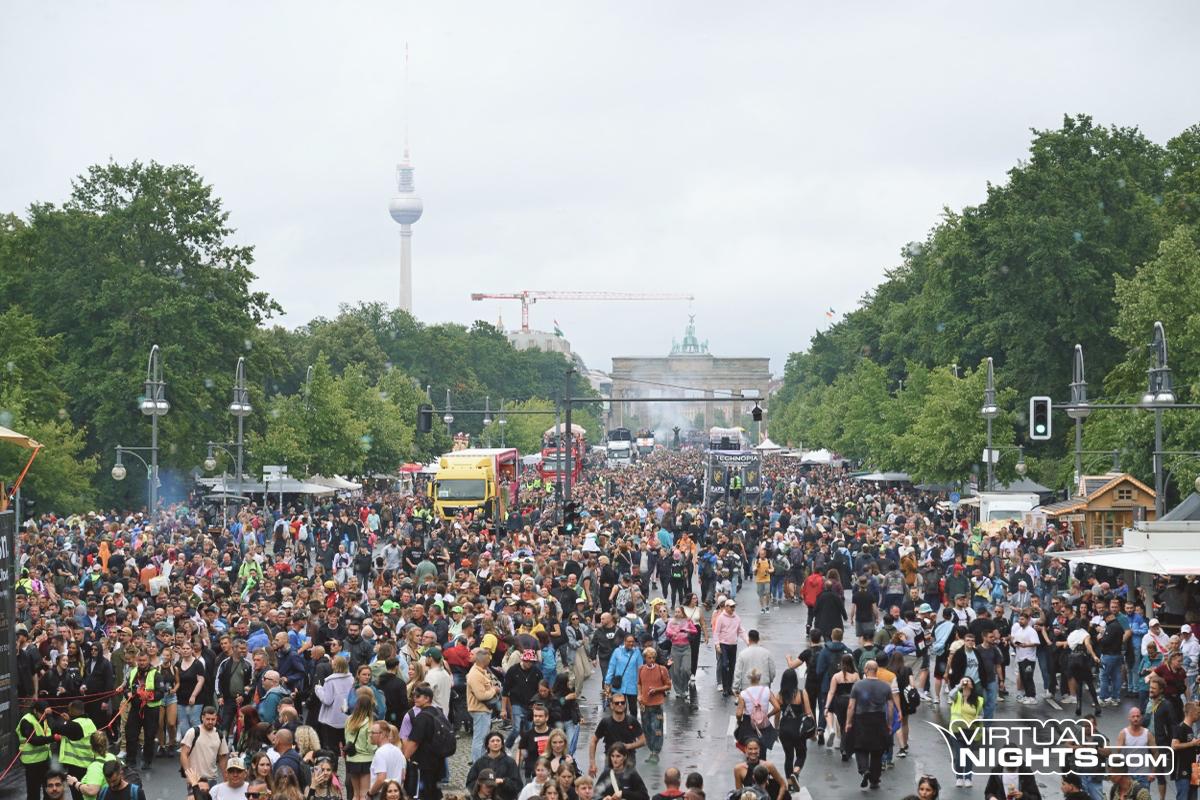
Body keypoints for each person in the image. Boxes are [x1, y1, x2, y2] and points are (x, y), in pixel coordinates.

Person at [844, 660, 898, 791]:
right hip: (879, 720)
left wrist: (848, 722)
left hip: (861, 719)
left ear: (866, 670)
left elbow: (851, 706)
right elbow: (891, 707)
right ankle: (874, 780)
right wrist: (889, 723)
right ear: (876, 670)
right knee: (877, 751)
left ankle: (864, 770)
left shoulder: (858, 685)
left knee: (860, 747)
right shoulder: (885, 686)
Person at [401, 683, 450, 800]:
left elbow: (414, 742)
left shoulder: (422, 717)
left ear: (427, 698)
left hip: (423, 764)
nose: (415, 698)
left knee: (421, 794)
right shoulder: (439, 712)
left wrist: (404, 761)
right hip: (439, 761)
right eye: (414, 695)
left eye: (418, 696)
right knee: (435, 793)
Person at [124, 650, 166, 772]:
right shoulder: (133, 672)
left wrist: (147, 696)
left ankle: (147, 760)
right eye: (140, 660)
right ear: (137, 661)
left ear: (148, 660)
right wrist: (128, 694)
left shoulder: (156, 674)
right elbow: (126, 688)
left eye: (144, 660)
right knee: (130, 734)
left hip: (151, 709)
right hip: (135, 708)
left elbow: (161, 692)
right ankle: (130, 761)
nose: (142, 663)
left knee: (149, 736)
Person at [588, 693, 645, 777]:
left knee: (628, 784)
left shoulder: (632, 721)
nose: (620, 705)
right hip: (610, 761)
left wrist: (629, 746)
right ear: (611, 705)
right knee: (609, 784)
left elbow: (643, 741)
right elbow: (594, 740)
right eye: (617, 703)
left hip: (628, 760)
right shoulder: (605, 722)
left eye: (622, 702)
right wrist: (592, 763)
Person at [776, 666, 812, 791]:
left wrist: (776, 729)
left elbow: (777, 714)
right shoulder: (801, 693)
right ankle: (796, 773)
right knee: (801, 754)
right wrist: (812, 728)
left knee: (788, 756)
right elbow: (808, 712)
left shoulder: (779, 695)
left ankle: (790, 783)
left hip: (784, 728)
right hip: (798, 728)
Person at [180, 706, 230, 793]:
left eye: (213, 719)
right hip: (196, 779)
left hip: (212, 779)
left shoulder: (219, 735)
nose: (210, 722)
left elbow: (222, 758)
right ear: (202, 718)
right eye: (208, 719)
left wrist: (226, 779)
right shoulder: (193, 732)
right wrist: (189, 775)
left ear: (216, 718)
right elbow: (184, 754)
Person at [947, 676, 984, 788]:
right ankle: (959, 777)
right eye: (964, 680)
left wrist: (979, 719)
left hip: (971, 731)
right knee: (959, 755)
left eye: (968, 681)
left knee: (968, 755)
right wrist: (960, 685)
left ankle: (968, 778)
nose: (966, 682)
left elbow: (981, 714)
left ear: (972, 685)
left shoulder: (978, 700)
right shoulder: (957, 696)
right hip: (957, 731)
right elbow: (950, 694)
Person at [636, 647, 670, 765]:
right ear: (645, 658)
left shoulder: (662, 669)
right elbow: (639, 683)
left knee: (657, 729)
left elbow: (668, 685)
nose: (652, 660)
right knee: (647, 729)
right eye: (649, 658)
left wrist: (657, 690)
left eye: (653, 657)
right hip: (644, 704)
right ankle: (651, 749)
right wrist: (639, 695)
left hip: (657, 705)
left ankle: (655, 752)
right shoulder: (641, 669)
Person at [467, 648, 502, 761]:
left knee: (482, 738)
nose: (490, 661)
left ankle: (480, 761)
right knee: (480, 739)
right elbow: (481, 696)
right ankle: (477, 762)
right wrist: (494, 690)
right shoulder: (475, 675)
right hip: (480, 709)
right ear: (484, 661)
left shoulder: (480, 671)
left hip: (483, 709)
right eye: (488, 659)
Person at [465, 732, 522, 800]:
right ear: (488, 745)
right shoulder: (480, 762)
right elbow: (470, 782)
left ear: (502, 744)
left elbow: (518, 785)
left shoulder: (510, 762)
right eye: (492, 741)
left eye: (498, 741)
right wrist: (482, 787)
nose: (495, 743)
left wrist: (504, 781)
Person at [736, 669, 779, 755]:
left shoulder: (743, 694)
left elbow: (739, 713)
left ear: (749, 678)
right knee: (762, 750)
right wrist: (769, 715)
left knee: (750, 751)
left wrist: (739, 721)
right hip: (763, 723)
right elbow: (777, 707)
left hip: (748, 724)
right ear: (759, 678)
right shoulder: (767, 691)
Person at [345, 690, 378, 800]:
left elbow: (346, 738)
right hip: (366, 760)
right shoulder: (369, 722)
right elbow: (370, 746)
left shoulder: (349, 720)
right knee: (364, 794)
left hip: (352, 759)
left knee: (355, 794)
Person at [18, 701, 55, 800]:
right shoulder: (27, 721)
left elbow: (53, 728)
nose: (44, 716)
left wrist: (49, 716)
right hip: (32, 762)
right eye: (42, 713)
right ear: (35, 711)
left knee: (49, 790)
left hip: (45, 760)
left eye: (46, 714)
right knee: (34, 792)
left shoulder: (44, 719)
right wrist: (53, 738)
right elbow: (33, 740)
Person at [604, 635, 644, 722]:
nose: (631, 643)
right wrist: (607, 682)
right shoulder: (617, 651)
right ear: (624, 642)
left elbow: (641, 669)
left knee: (633, 709)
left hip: (632, 686)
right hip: (619, 686)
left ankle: (633, 725)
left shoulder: (637, 652)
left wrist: (642, 684)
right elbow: (611, 667)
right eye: (629, 641)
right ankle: (620, 726)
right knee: (619, 709)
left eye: (632, 641)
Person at [713, 601, 749, 698]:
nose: (733, 608)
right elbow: (716, 632)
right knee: (724, 665)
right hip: (723, 644)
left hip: (733, 644)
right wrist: (717, 645)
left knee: (732, 666)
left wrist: (747, 641)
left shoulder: (736, 618)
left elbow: (741, 631)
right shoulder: (721, 618)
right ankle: (725, 688)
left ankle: (729, 688)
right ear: (726, 607)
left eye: (734, 607)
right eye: (731, 607)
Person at [368, 722, 407, 797]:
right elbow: (403, 776)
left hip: (381, 794)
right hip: (396, 794)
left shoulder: (380, 753)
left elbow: (381, 779)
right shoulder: (398, 751)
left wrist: (370, 793)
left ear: (382, 734)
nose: (370, 735)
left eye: (373, 733)